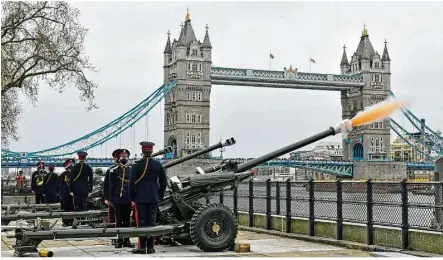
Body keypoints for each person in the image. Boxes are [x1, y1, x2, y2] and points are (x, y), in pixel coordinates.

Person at [128, 141, 167, 254]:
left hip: (140, 197)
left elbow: (131, 184)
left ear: (142, 151)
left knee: (141, 222)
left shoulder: (136, 165)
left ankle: (141, 247)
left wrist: (132, 198)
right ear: (152, 151)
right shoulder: (157, 164)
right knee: (152, 222)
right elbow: (163, 182)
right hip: (153, 197)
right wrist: (160, 196)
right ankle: (150, 247)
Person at [109, 149, 134, 248]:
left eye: (126, 156)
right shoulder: (114, 170)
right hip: (118, 199)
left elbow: (133, 186)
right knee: (118, 221)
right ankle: (119, 240)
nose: (124, 158)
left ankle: (127, 240)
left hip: (127, 199)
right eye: (122, 156)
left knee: (127, 220)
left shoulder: (131, 169)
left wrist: (133, 199)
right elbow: (111, 186)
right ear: (119, 158)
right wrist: (111, 200)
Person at [104, 149, 121, 246]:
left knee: (124, 219)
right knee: (113, 219)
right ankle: (114, 237)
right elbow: (106, 186)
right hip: (113, 199)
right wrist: (107, 198)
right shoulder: (111, 170)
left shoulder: (128, 169)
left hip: (124, 198)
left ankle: (124, 238)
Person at [59, 159, 75, 226]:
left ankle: (72, 221)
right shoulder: (63, 174)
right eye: (69, 164)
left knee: (73, 208)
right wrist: (61, 195)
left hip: (74, 193)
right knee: (66, 208)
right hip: (66, 193)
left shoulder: (76, 173)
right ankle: (65, 222)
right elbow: (61, 185)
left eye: (72, 164)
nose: (71, 165)